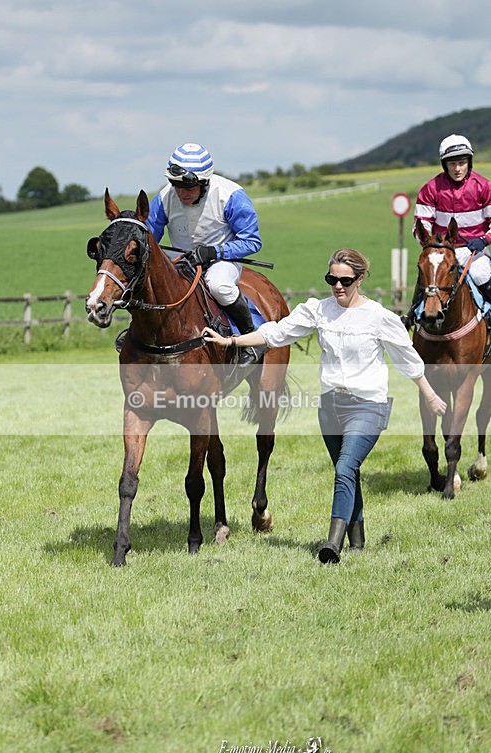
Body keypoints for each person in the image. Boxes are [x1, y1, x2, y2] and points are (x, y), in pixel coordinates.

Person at [203, 248, 447, 565]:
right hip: (330, 408)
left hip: (368, 406)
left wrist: (428, 393)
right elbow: (275, 333)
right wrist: (231, 341)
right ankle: (358, 540)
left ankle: (333, 545)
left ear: (360, 279)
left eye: (345, 280)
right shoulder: (318, 310)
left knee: (345, 469)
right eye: (332, 279)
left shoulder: (378, 317)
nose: (338, 286)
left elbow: (407, 358)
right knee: (348, 471)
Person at [147, 142, 262, 365]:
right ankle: (137, 337)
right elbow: (149, 236)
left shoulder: (231, 195)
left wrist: (214, 251)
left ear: (205, 182)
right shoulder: (163, 198)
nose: (181, 193)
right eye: (176, 186)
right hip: (181, 263)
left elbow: (252, 241)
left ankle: (250, 340)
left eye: (189, 187)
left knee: (219, 285)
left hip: (223, 261)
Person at [403, 134, 491, 329]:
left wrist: (484, 240)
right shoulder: (430, 189)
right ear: (444, 165)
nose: (458, 168)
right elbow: (421, 224)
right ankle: (413, 316)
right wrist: (431, 244)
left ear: (469, 162)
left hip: (473, 251)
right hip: (441, 250)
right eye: (452, 164)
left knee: (482, 274)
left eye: (462, 163)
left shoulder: (484, 187)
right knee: (428, 274)